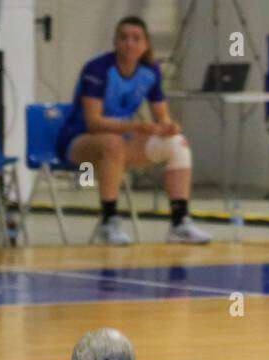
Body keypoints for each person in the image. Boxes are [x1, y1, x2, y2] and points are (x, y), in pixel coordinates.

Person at [55, 16, 212, 246]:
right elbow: (94, 123)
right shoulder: (97, 69)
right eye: (124, 38)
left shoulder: (150, 71)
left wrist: (169, 126)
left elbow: (162, 115)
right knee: (112, 144)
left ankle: (180, 223)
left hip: (120, 141)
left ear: (146, 44)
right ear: (115, 43)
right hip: (77, 141)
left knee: (177, 143)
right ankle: (109, 222)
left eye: (136, 38)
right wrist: (137, 126)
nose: (130, 43)